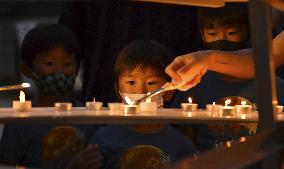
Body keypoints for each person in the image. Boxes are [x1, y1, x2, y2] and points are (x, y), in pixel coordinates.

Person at [0, 25, 101, 169]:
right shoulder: (19, 122)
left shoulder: (88, 117)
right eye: (49, 64)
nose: (59, 71)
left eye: (67, 64)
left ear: (77, 69)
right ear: (27, 70)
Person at [89, 40, 196, 169]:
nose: (141, 92)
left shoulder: (181, 145)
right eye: (131, 82)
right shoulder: (104, 139)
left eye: (151, 83)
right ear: (118, 92)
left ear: (169, 92)